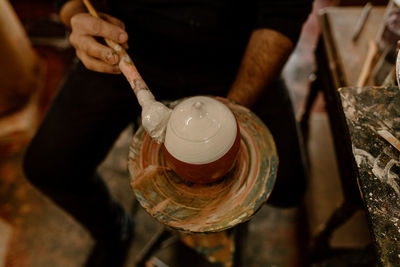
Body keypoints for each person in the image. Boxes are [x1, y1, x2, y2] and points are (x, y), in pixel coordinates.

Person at [23, 0, 313, 266]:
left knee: (287, 187)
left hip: (236, 57)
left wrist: (228, 118)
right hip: (129, 52)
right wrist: (75, 15)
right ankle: (115, 230)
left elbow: (283, 14)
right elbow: (74, 4)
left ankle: (208, 231)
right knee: (48, 166)